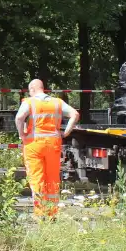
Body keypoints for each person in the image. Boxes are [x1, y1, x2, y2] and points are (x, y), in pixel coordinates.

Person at [14, 79, 80, 219]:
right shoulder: (57, 102)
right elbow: (75, 114)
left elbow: (19, 118)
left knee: (37, 178)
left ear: (32, 89)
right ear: (43, 88)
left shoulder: (29, 102)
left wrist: (22, 135)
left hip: (34, 145)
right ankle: (52, 213)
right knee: (52, 178)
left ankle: (40, 213)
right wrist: (66, 132)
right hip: (53, 144)